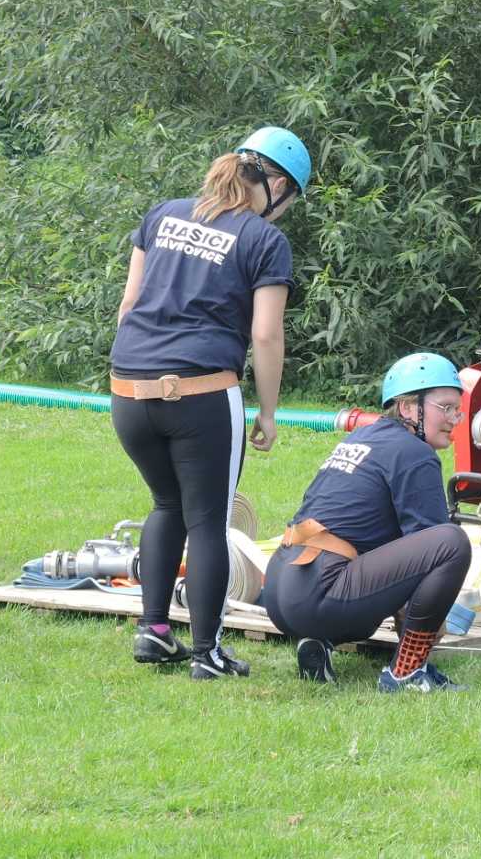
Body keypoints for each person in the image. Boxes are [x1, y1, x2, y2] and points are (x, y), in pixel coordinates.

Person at [110, 125, 310, 680]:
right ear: (276, 186)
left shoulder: (163, 214)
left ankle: (153, 632)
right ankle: (207, 654)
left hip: (129, 388)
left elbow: (129, 305)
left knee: (164, 505)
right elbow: (266, 335)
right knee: (206, 521)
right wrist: (267, 412)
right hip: (200, 393)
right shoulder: (264, 239)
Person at [261, 353, 474, 693]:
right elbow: (432, 547)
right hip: (320, 593)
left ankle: (318, 641)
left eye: (456, 409)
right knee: (451, 542)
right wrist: (428, 622)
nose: (455, 418)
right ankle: (407, 671)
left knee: (374, 569)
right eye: (445, 407)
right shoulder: (414, 453)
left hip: (279, 590)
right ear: (407, 408)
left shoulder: (361, 438)